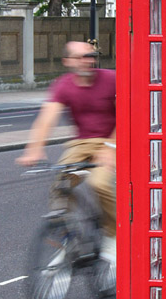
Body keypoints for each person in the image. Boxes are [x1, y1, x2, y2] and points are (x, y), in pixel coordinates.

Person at [17, 41, 117, 270]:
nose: (88, 61)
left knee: (99, 182)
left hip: (114, 139)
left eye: (90, 56)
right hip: (82, 142)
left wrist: (110, 148)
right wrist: (34, 148)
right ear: (68, 61)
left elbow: (127, 115)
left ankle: (114, 236)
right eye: (81, 57)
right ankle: (67, 240)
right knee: (61, 183)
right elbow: (46, 119)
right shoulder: (63, 85)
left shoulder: (111, 79)